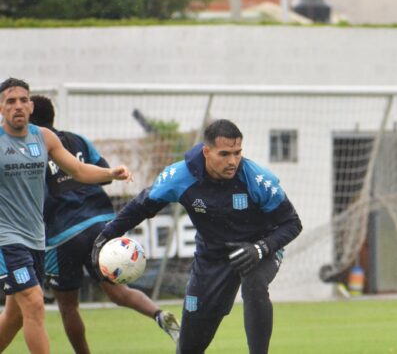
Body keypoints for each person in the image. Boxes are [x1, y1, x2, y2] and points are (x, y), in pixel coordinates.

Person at [90, 119, 303, 354]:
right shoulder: (179, 176)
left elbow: (292, 223)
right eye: (224, 154)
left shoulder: (257, 178)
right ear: (206, 151)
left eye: (237, 152)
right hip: (211, 257)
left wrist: (261, 248)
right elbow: (141, 206)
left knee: (254, 283)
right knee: (189, 347)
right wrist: (105, 236)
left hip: (260, 247)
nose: (233, 161)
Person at [29, 95, 181, 354]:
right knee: (118, 291)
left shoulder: (28, 150)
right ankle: (158, 314)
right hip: (101, 223)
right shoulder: (78, 140)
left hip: (62, 234)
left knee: (68, 306)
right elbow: (106, 175)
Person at [0, 78, 132, 354]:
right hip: (6, 240)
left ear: (31, 105)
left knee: (14, 317)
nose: (18, 106)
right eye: (10, 101)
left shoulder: (45, 138)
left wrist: (110, 173)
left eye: (23, 100)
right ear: (1, 108)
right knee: (35, 302)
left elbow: (79, 170)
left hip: (36, 239)